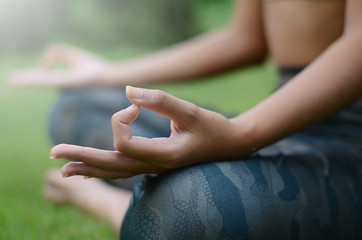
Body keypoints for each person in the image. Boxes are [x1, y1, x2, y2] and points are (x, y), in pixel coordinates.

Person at [9, 0, 362, 239]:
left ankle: (114, 202)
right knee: (78, 108)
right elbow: (245, 38)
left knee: (189, 207)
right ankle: (166, 185)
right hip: (279, 118)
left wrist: (238, 134)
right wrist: (105, 74)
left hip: (350, 137)